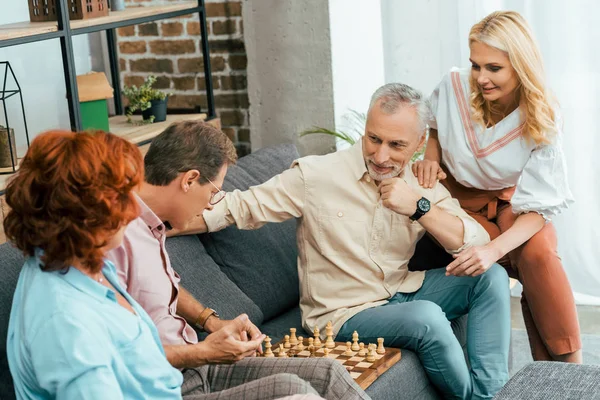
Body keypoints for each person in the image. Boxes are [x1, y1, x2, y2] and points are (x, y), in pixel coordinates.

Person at [176, 85, 511, 399]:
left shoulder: (419, 182)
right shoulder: (317, 175)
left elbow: (475, 243)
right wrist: (156, 221)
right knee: (428, 317)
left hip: (400, 289)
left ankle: (494, 393)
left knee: (491, 278)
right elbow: (239, 206)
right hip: (342, 313)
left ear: (420, 141)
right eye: (374, 139)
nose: (380, 156)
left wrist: (419, 208)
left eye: (396, 145)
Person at [106, 120, 369, 400]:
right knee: (293, 391)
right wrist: (202, 352)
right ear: (189, 180)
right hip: (168, 383)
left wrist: (210, 322)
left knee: (328, 373)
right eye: (213, 192)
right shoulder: (114, 238)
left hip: (196, 367)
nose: (210, 205)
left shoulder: (153, 226)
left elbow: (154, 285)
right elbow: (122, 349)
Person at [411, 10, 581, 364]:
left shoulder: (542, 114)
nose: (481, 78)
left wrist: (493, 251)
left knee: (538, 254)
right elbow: (436, 125)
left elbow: (539, 209)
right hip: (455, 202)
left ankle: (570, 368)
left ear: (520, 66)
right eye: (476, 65)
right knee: (521, 265)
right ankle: (553, 374)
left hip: (511, 203)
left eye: (494, 68)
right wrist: (430, 157)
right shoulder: (454, 85)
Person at [4, 130, 184, 399]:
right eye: (122, 198)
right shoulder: (66, 323)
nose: (134, 211)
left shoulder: (85, 262)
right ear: (81, 212)